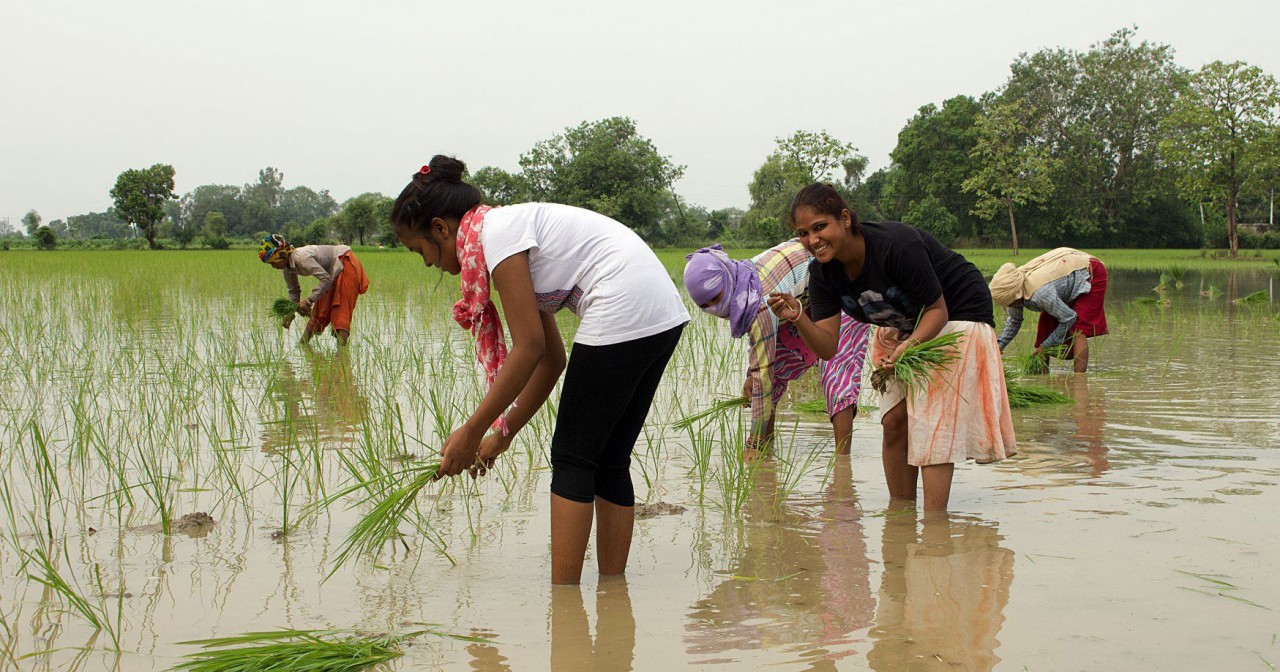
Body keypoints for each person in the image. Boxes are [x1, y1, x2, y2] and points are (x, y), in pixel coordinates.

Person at [390, 155, 689, 585]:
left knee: (572, 457)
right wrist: (502, 433)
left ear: (441, 228)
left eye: (420, 251)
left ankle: (564, 600)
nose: (427, 263)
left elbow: (527, 349)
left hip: (622, 300)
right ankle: (612, 591)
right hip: (659, 309)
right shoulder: (505, 230)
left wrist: (472, 430)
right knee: (608, 459)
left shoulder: (497, 237)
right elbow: (551, 360)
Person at [765, 183, 1015, 510]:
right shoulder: (822, 274)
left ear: (844, 219)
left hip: (958, 313)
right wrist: (798, 316)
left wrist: (910, 344)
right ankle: (901, 516)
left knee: (930, 419)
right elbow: (827, 347)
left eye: (820, 227)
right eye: (803, 233)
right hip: (906, 325)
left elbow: (938, 309)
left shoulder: (896, 246)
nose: (812, 240)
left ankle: (934, 528)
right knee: (893, 420)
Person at [683, 241, 870, 455]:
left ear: (727, 277)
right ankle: (766, 454)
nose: (714, 308)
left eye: (716, 298)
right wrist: (752, 375)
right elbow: (762, 356)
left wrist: (752, 441)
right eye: (704, 306)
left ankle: (842, 465)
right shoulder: (743, 280)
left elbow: (763, 373)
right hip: (800, 302)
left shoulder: (759, 300)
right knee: (774, 372)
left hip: (841, 286)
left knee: (837, 371)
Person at [989, 247, 1109, 373]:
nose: (1009, 307)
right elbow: (1015, 320)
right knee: (1044, 328)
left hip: (1090, 271)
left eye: (1009, 304)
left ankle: (1079, 380)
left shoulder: (1040, 294)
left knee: (1078, 329)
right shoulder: (1015, 290)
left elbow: (1069, 318)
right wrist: (999, 346)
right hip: (1063, 276)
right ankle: (1043, 376)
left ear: (1015, 295)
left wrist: (1044, 347)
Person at [259, 234, 369, 346]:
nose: (273, 266)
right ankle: (303, 345)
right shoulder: (285, 268)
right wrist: (290, 311)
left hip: (344, 262)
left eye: (273, 262)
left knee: (340, 310)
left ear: (281, 255)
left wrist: (308, 301)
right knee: (319, 310)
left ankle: (341, 356)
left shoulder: (301, 258)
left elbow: (326, 280)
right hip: (331, 273)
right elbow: (294, 291)